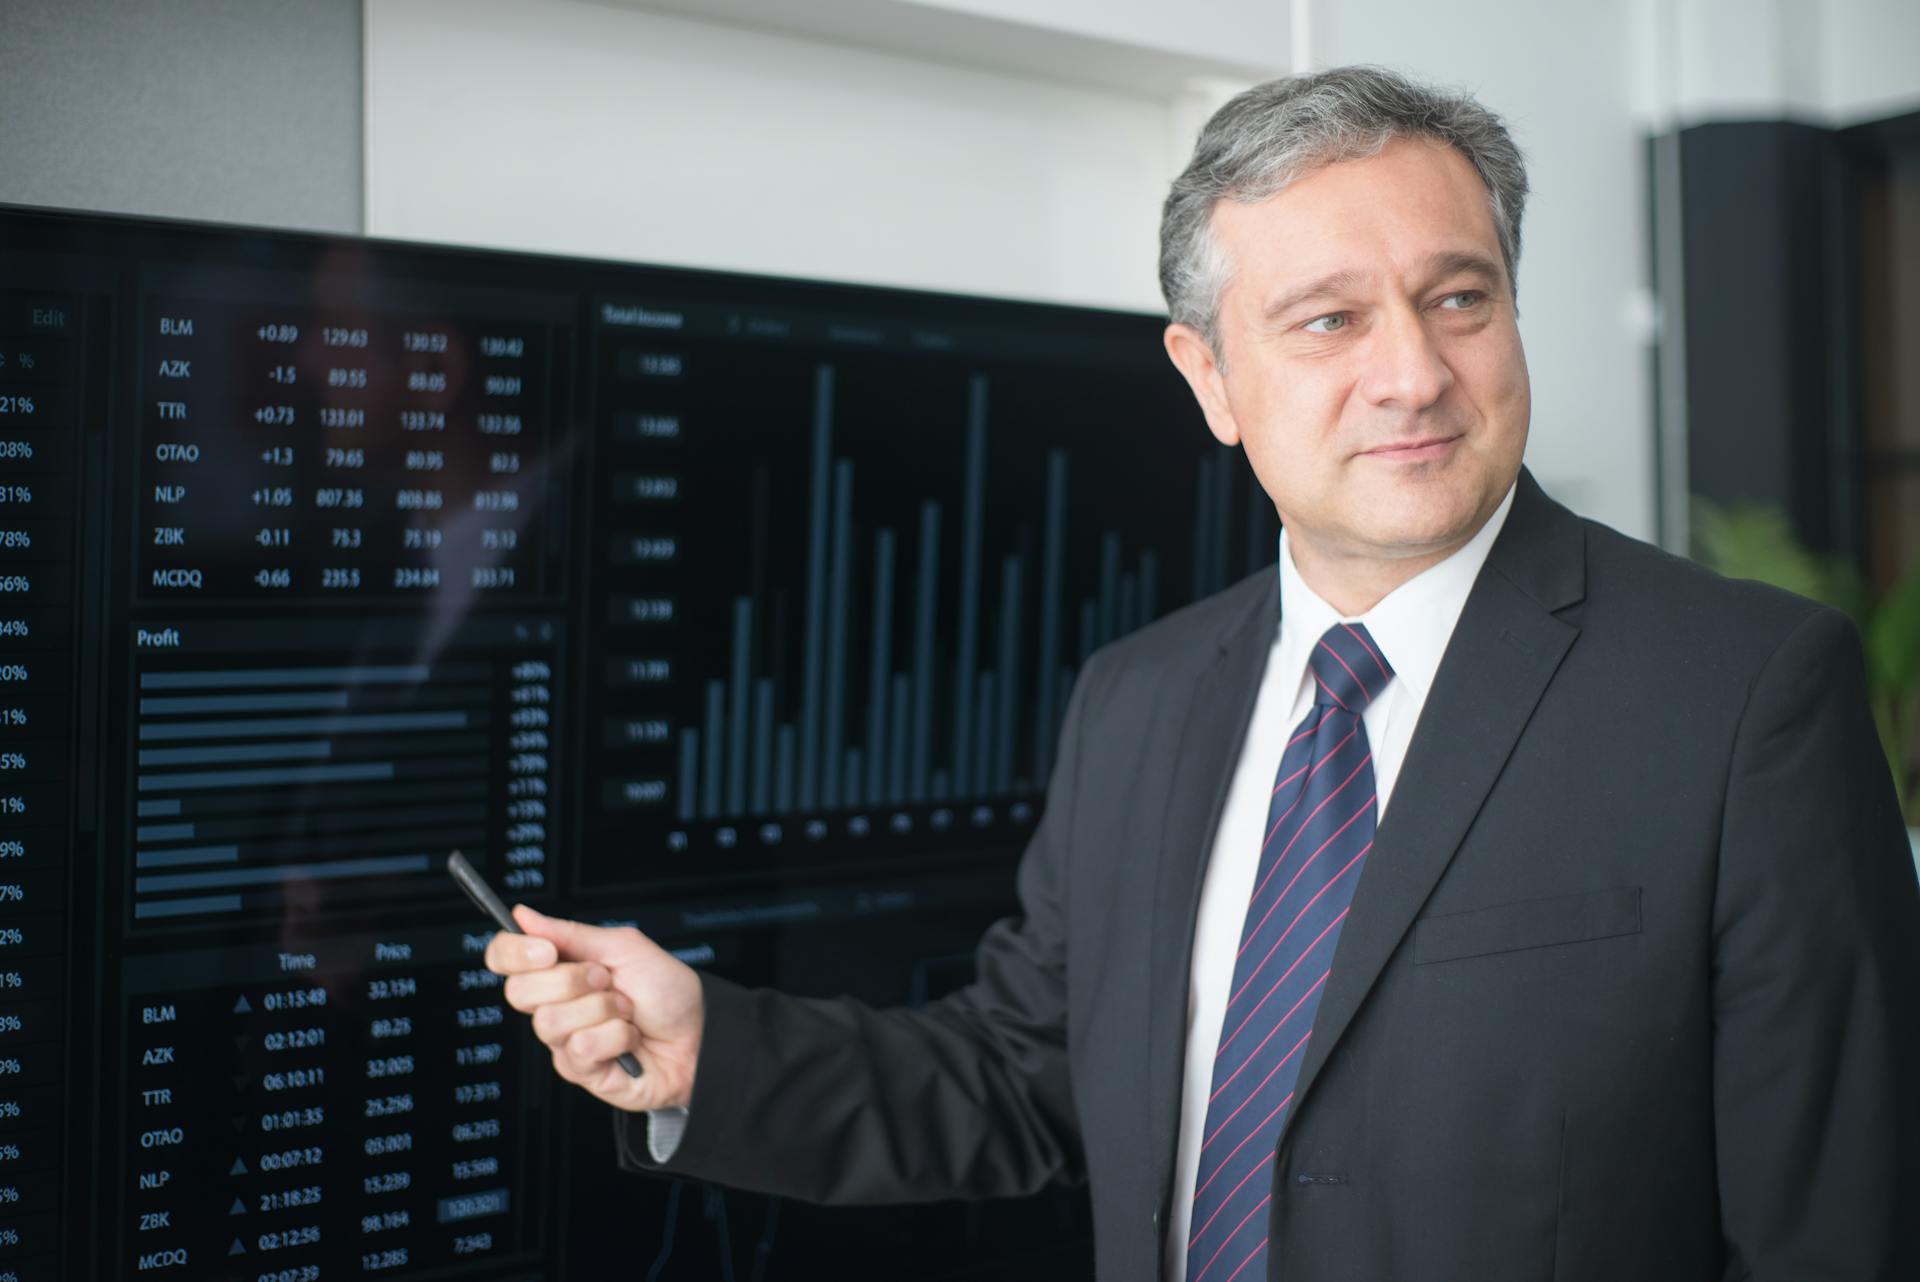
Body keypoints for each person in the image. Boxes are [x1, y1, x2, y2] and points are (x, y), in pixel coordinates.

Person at [486, 66, 1920, 1281]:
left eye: (1459, 297)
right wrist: (710, 1051)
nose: (1414, 372)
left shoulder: (1744, 693)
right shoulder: (1140, 696)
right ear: (1211, 380)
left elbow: (1838, 1227)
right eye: (1330, 319)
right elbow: (1025, 1077)